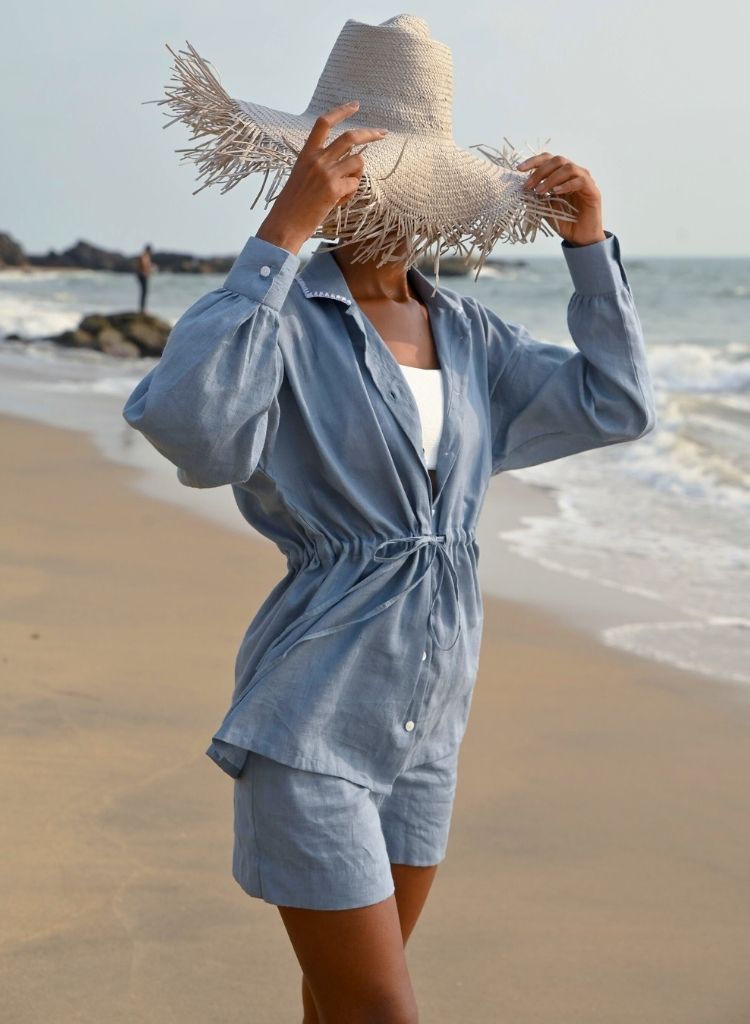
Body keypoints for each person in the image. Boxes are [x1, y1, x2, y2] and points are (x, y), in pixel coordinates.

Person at [123, 16, 657, 1023]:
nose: (379, 199)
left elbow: (617, 404)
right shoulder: (279, 322)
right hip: (311, 720)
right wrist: (281, 235)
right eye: (356, 173)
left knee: (337, 1007)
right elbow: (192, 431)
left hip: (428, 729)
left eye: (402, 180)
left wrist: (588, 247)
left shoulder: (471, 335)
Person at [135, 244, 153, 312]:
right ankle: (142, 309)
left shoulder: (144, 256)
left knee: (144, 292)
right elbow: (143, 265)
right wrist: (148, 271)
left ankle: (142, 308)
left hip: (142, 275)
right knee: (144, 292)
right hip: (143, 275)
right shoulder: (144, 256)